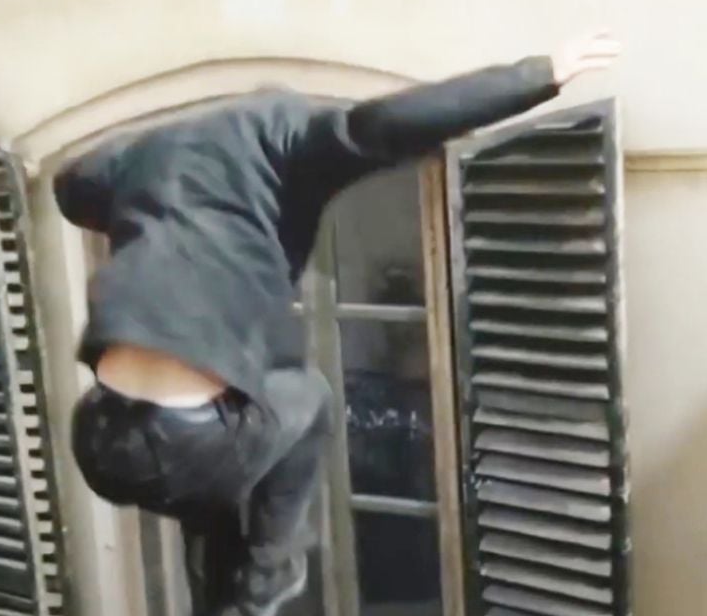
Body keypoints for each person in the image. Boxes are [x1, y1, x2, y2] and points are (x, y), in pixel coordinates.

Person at [56, 31, 622, 616]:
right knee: (309, 400)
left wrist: (139, 208)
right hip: (192, 447)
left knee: (231, 454)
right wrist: (538, 74)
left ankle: (220, 598)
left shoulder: (150, 154)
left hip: (99, 439)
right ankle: (264, 584)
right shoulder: (289, 139)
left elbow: (71, 187)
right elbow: (388, 124)